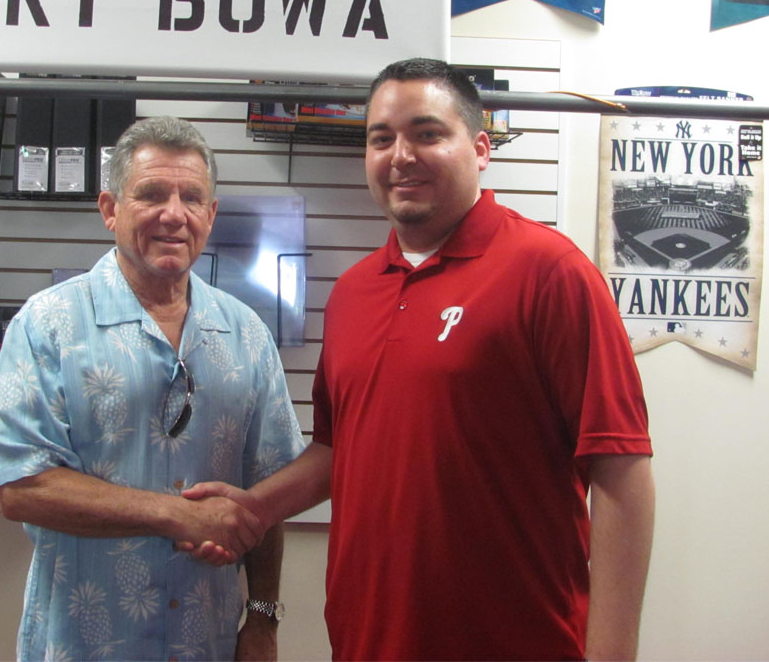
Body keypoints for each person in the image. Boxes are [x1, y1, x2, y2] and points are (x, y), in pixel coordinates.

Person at [183, 59, 656, 661]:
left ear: (480, 149)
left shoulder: (550, 272)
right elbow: (339, 449)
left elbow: (621, 470)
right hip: (366, 642)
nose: (401, 156)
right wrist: (255, 508)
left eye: (427, 134)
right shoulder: (353, 293)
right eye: (381, 139)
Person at [0, 116, 305, 662]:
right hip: (83, 645)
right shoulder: (48, 325)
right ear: (110, 209)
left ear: (211, 214)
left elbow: (267, 491)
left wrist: (263, 618)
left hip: (204, 643)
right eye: (152, 194)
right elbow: (22, 488)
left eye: (191, 198)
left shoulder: (247, 334)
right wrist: (177, 514)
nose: (173, 214)